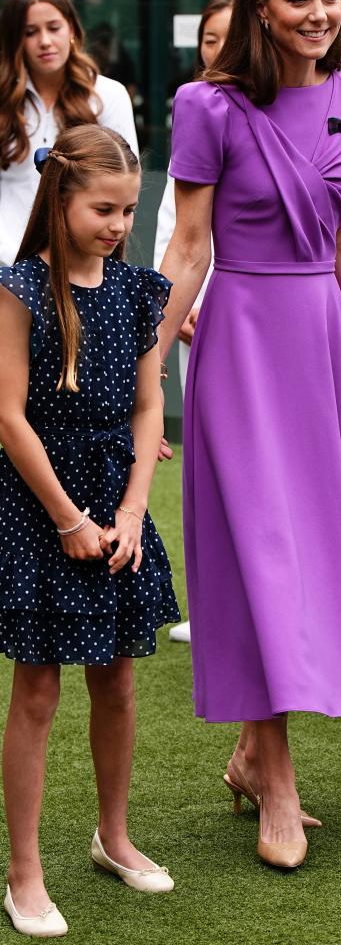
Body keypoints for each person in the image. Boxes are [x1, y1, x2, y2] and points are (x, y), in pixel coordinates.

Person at [157, 0, 341, 870]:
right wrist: (141, 356)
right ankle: (281, 785)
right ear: (261, 5)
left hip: (320, 350)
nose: (319, 15)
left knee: (306, 553)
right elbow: (187, 245)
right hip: (241, 342)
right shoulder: (204, 106)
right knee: (259, 551)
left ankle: (255, 754)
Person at [0, 125, 179, 937]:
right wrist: (68, 518)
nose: (118, 224)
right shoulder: (20, 289)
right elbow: (7, 415)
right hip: (42, 505)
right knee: (37, 687)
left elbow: (149, 409)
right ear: (61, 200)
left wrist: (133, 509)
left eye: (129, 210)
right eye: (103, 208)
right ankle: (24, 870)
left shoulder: (142, 289)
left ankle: (114, 837)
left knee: (118, 677)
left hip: (117, 499)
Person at [153, 0, 234, 645]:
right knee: (205, 468)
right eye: (209, 39)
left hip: (238, 315)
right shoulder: (194, 109)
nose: (219, 51)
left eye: (229, 37)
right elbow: (178, 236)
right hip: (188, 315)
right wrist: (170, 321)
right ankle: (212, 608)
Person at [0, 0, 138, 268]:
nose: (45, 41)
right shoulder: (4, 99)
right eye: (30, 32)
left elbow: (124, 190)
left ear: (72, 29)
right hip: (5, 264)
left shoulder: (108, 95)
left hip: (82, 267)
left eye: (54, 27)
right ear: (15, 40)